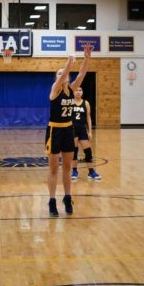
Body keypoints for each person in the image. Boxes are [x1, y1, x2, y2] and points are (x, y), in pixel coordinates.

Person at [46, 45, 92, 217]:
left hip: (68, 130)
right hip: (54, 131)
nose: (62, 75)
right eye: (58, 73)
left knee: (67, 166)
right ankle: (51, 200)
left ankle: (67, 197)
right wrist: (69, 62)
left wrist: (86, 58)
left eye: (63, 73)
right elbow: (64, 75)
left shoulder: (71, 90)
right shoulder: (55, 89)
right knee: (53, 169)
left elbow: (82, 74)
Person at [70, 86, 100, 181]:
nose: (78, 92)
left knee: (88, 151)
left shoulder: (86, 103)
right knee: (74, 152)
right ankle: (74, 171)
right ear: (73, 92)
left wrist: (90, 131)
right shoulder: (70, 103)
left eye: (80, 90)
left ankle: (91, 172)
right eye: (76, 90)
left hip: (82, 130)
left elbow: (88, 118)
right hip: (72, 130)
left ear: (82, 92)